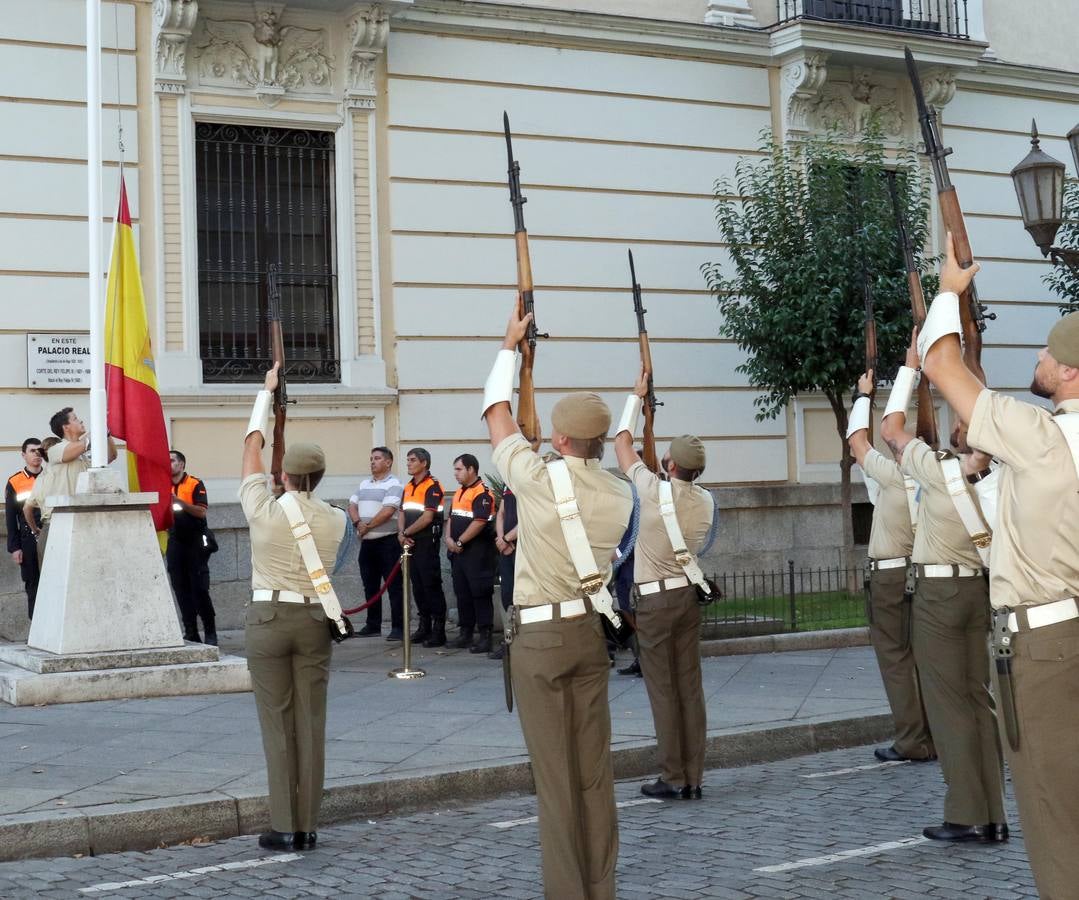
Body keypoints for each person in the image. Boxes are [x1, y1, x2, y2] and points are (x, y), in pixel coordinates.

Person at [918, 234, 1079, 896]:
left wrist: (947, 293)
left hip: (1043, 645)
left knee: (1053, 812)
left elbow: (939, 364)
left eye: (1048, 352)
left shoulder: (1042, 437)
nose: (1038, 358)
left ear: (1070, 373)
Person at [482, 300, 634, 900]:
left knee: (555, 780)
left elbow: (495, 413)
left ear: (560, 437)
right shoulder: (623, 495)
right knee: (594, 773)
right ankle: (600, 887)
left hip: (541, 638)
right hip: (588, 633)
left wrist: (508, 346)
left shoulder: (538, 479)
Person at [880, 331, 1006, 844]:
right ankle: (994, 813)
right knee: (979, 702)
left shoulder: (938, 472)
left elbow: (890, 429)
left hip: (938, 596)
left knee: (949, 705)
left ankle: (966, 813)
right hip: (979, 591)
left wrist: (911, 369)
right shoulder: (1001, 481)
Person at [240, 363, 349, 853]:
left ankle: (283, 825)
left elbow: (250, 448)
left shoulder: (263, 509)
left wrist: (265, 397)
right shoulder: (339, 519)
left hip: (268, 618)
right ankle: (308, 825)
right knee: (311, 722)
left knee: (276, 722)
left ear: (283, 474)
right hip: (313, 618)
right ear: (319, 478)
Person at [614, 374, 714, 801]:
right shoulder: (706, 501)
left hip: (655, 600)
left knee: (663, 690)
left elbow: (621, 442)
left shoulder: (652, 490)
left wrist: (635, 399)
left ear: (669, 465)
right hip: (687, 595)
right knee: (689, 688)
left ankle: (673, 776)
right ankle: (694, 775)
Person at [846, 371, 935, 764]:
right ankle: (932, 733)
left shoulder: (896, 477)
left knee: (895, 659)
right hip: (921, 572)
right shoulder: (934, 477)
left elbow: (857, 443)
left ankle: (912, 738)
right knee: (921, 657)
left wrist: (863, 396)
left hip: (890, 574)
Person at [25, 408, 116, 565]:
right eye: (75, 418)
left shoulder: (82, 455)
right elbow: (77, 448)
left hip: (81, 525)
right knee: (54, 577)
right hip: (57, 526)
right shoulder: (55, 450)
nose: (81, 421)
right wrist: (98, 428)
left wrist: (106, 434)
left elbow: (111, 456)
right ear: (66, 427)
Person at [444, 454, 497, 654]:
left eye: (459, 469)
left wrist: (459, 541)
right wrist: (448, 540)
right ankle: (465, 633)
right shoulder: (459, 492)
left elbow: (480, 522)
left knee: (480, 592)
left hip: (478, 552)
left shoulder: (482, 493)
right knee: (462, 593)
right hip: (458, 553)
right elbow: (451, 518)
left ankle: (485, 636)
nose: (455, 473)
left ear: (471, 469)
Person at [348, 447, 404, 639]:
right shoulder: (364, 484)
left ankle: (398, 627)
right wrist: (358, 523)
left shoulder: (394, 484)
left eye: (377, 458)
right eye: (371, 458)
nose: (372, 461)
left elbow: (388, 510)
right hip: (367, 544)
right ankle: (373, 625)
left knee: (394, 586)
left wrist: (368, 526)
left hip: (388, 542)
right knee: (370, 585)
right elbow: (352, 505)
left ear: (388, 462)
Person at [398, 447, 448, 647]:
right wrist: (401, 534)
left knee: (431, 585)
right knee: (417, 586)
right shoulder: (409, 486)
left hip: (426, 542)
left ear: (424, 463)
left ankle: (438, 630)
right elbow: (402, 512)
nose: (408, 463)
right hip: (409, 542)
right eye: (408, 460)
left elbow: (427, 517)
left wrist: (406, 533)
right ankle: (424, 626)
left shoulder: (433, 485)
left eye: (412, 460)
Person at [166, 450, 217, 645]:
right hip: (175, 541)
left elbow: (201, 512)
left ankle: (210, 632)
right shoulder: (163, 484)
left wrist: (179, 502)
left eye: (172, 460)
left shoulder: (194, 483)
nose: (168, 463)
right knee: (180, 588)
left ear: (181, 464)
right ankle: (190, 631)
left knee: (199, 588)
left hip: (195, 541)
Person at [6, 438, 44, 619]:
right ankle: (36, 625)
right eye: (32, 451)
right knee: (32, 582)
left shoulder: (51, 476)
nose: (37, 454)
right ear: (23, 455)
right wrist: (15, 547)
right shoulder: (15, 481)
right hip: (28, 540)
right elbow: (10, 517)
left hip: (50, 535)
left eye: (40, 450)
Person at [489, 483, 517, 660]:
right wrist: (501, 539)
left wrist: (507, 539)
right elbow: (501, 513)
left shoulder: (530, 479)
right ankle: (509, 641)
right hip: (506, 548)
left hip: (522, 546)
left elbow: (531, 517)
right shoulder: (509, 481)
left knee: (521, 597)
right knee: (507, 595)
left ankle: (521, 643)